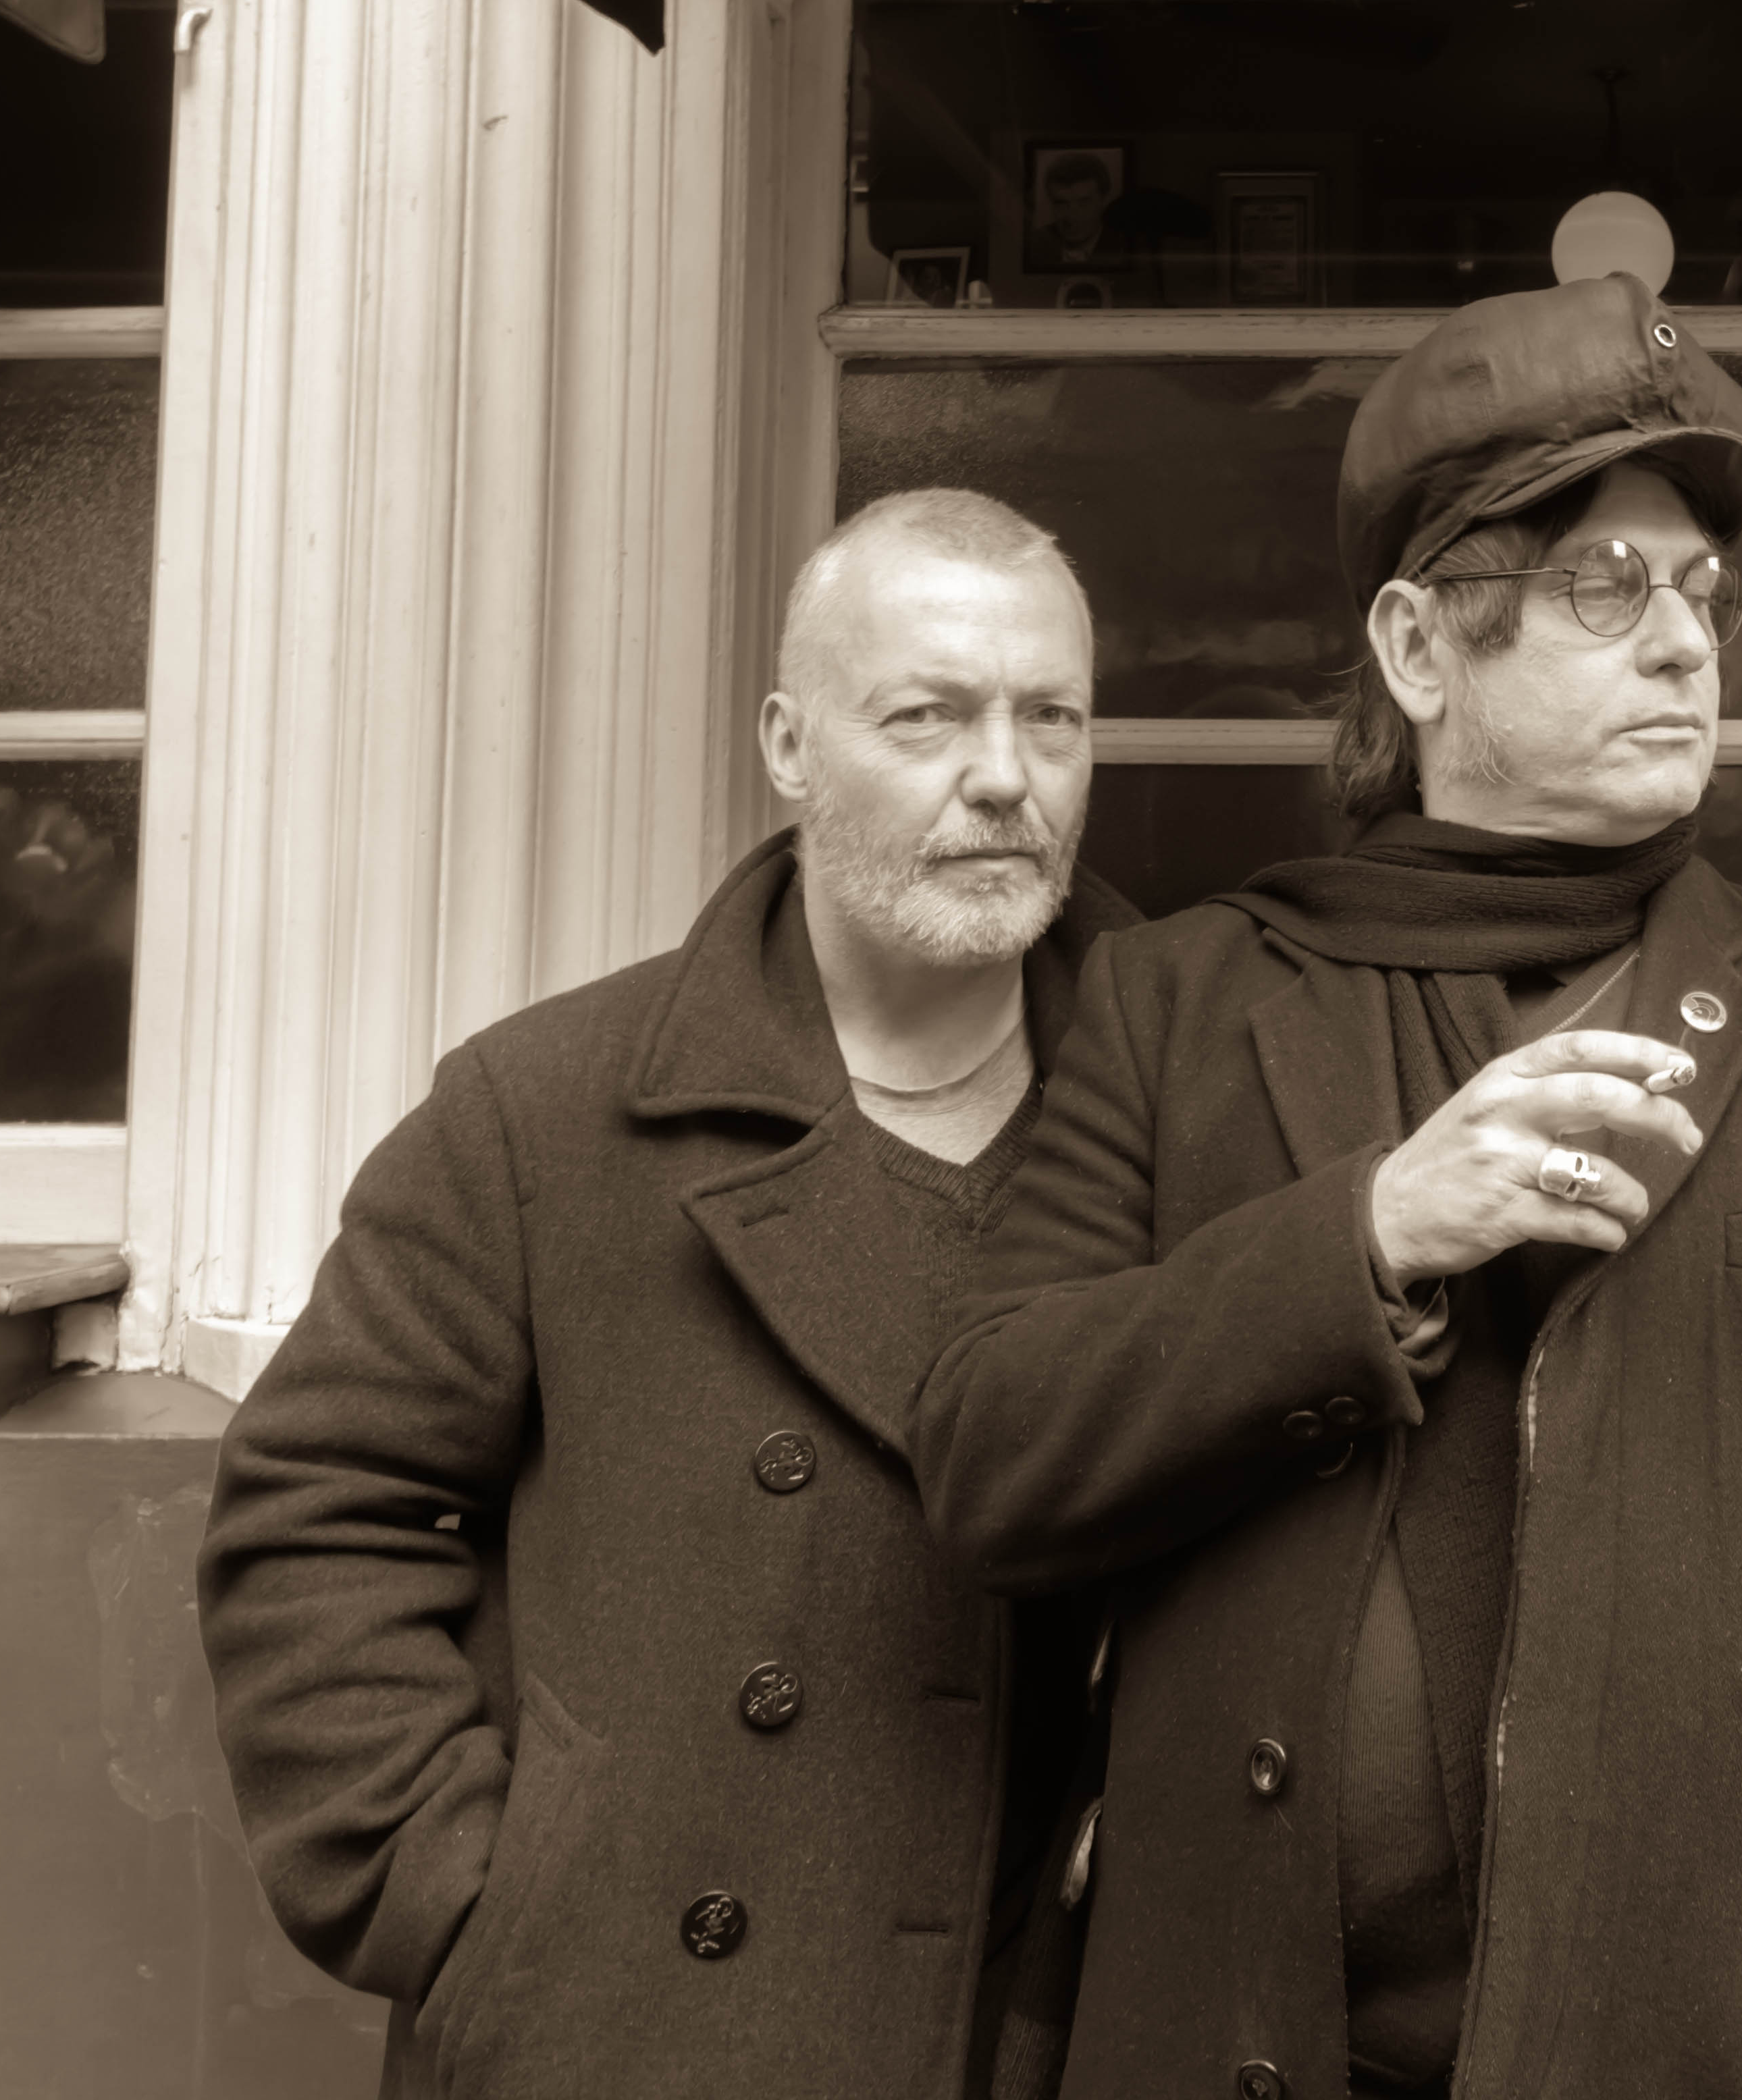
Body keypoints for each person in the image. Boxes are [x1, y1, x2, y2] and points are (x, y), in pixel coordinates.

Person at [909, 274, 1742, 2100]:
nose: (1685, 644)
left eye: (1702, 593)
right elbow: (989, 1453)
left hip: (1694, 2053)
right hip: (1230, 2036)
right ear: (1419, 649)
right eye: (1602, 587)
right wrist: (1363, 1237)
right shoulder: (1179, 1001)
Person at [199, 489, 1138, 2100]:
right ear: (788, 744)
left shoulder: (1189, 1099)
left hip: (1049, 2029)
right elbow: (314, 1514)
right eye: (924, 716)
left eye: (1049, 717)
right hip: (629, 2027)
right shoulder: (545, 1112)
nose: (1004, 775)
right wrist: (479, 1906)